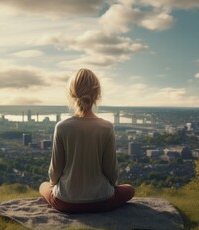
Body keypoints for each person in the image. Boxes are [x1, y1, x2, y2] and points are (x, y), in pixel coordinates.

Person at [39, 68, 135, 213]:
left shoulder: (62, 127)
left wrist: (55, 187)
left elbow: (54, 173)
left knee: (43, 186)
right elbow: (112, 173)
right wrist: (109, 188)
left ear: (72, 95)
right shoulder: (106, 127)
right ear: (97, 95)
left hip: (66, 202)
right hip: (103, 201)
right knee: (130, 189)